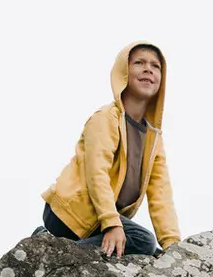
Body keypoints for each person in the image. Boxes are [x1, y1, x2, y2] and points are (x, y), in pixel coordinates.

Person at [38, 42, 181, 257]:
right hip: (69, 213)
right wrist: (112, 223)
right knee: (142, 241)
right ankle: (50, 255)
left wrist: (173, 247)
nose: (148, 69)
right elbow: (97, 174)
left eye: (156, 66)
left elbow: (160, 193)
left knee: (153, 253)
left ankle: (60, 248)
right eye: (139, 63)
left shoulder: (153, 138)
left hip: (99, 218)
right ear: (124, 71)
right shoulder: (106, 118)